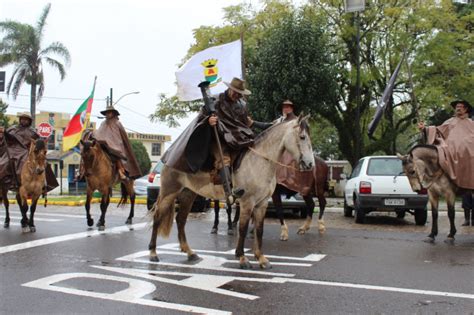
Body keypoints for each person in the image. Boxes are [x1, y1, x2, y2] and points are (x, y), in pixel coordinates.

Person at [161, 77, 260, 204]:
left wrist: (264, 126)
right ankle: (229, 192)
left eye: (239, 93)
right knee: (224, 159)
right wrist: (208, 121)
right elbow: (202, 115)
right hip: (217, 138)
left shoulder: (241, 104)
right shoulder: (216, 100)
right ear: (229, 88)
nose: (237, 95)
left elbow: (245, 123)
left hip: (236, 139)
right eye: (235, 91)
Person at [417, 100, 474, 190]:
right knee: (441, 158)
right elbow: (438, 131)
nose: (458, 108)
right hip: (451, 152)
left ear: (466, 109)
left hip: (469, 154)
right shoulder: (450, 121)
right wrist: (424, 129)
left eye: (460, 106)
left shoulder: (471, 123)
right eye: (457, 107)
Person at [0, 112, 58, 191]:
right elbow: (9, 139)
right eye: (22, 119)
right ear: (20, 120)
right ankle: (6, 179)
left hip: (27, 150)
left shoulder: (33, 132)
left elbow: (37, 142)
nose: (24, 121)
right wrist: (5, 132)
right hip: (13, 149)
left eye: (26, 119)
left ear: (29, 121)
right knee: (5, 161)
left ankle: (46, 184)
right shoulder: (13, 129)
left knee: (43, 162)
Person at [92, 104, 141, 180]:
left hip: (114, 146)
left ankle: (121, 172)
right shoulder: (103, 123)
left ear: (113, 113)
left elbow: (121, 136)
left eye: (109, 112)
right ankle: (83, 172)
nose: (108, 114)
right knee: (90, 153)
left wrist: (111, 143)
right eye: (107, 113)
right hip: (102, 145)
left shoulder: (117, 123)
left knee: (116, 155)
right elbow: (100, 133)